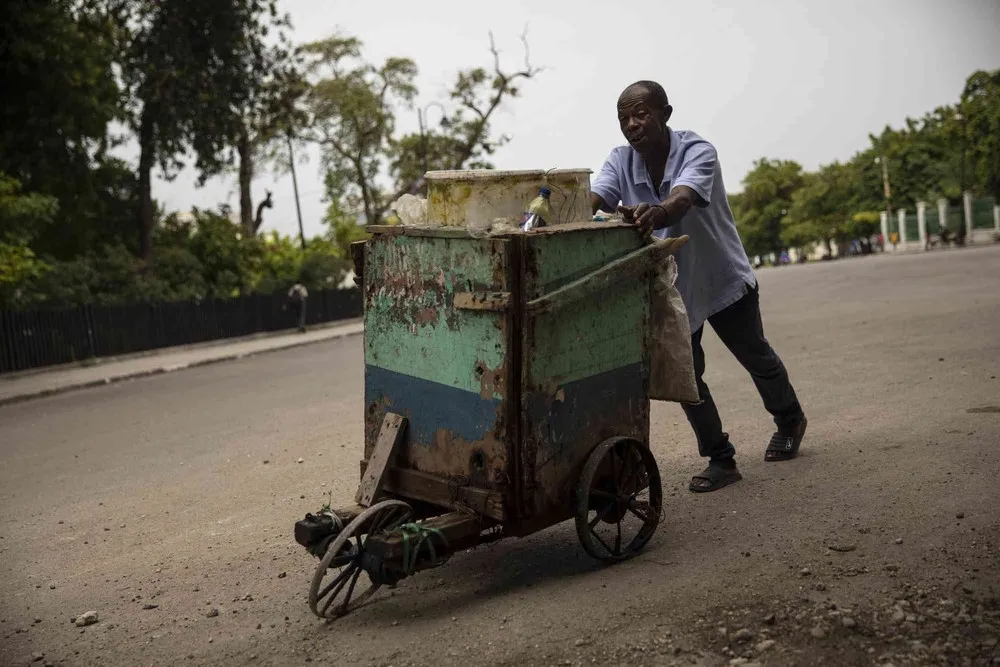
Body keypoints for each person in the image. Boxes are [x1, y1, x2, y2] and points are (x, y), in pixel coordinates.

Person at [590, 80, 807, 493]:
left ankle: (790, 418)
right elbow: (593, 200)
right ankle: (720, 458)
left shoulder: (697, 150)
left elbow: (683, 199)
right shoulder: (619, 160)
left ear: (665, 114)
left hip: (719, 275)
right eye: (623, 118)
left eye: (641, 114)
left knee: (755, 355)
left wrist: (656, 212)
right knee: (688, 377)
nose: (632, 125)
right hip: (673, 288)